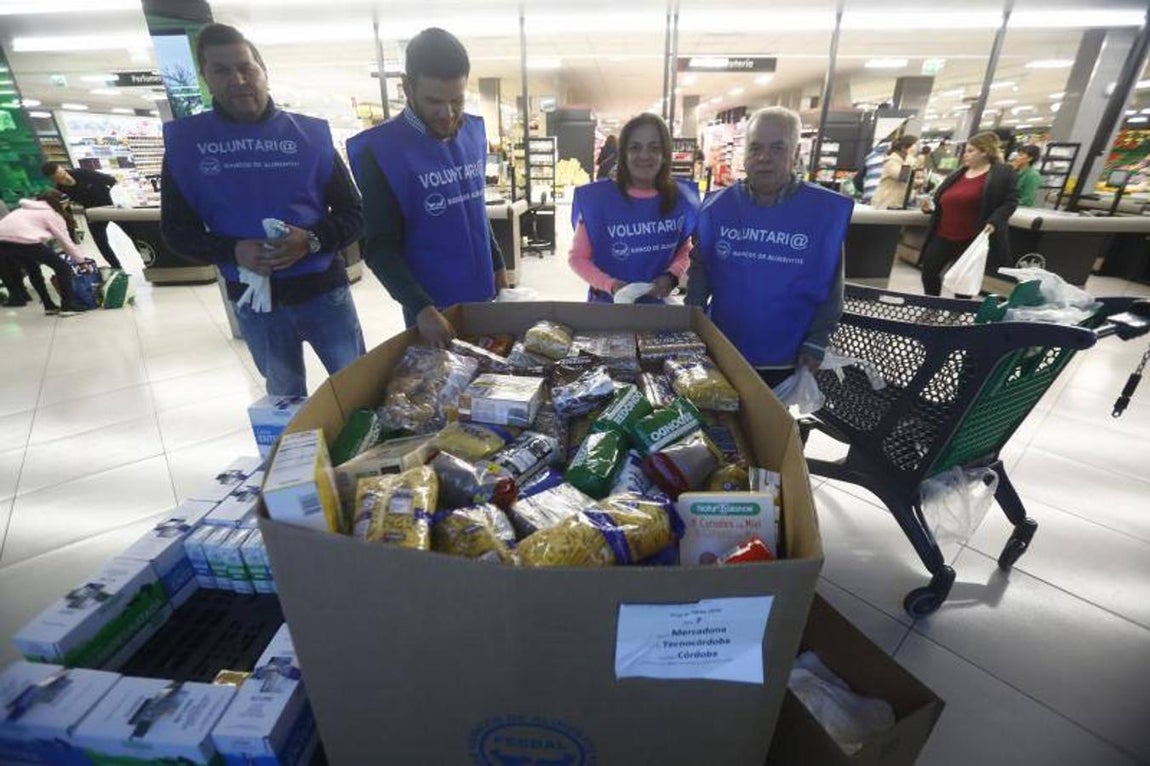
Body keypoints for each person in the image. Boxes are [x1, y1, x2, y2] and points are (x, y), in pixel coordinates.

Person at [161, 23, 366, 397]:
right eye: (221, 70)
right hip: (255, 302)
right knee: (284, 401)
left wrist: (313, 240)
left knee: (358, 390)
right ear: (206, 78)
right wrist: (232, 249)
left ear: (263, 71)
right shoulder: (186, 146)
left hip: (326, 294)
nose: (238, 80)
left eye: (245, 67)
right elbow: (176, 231)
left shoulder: (309, 137)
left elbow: (354, 213)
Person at [348, 27, 507, 348]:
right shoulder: (380, 151)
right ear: (407, 88)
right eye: (434, 101)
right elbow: (379, 248)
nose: (447, 113)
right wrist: (420, 307)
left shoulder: (473, 132)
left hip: (484, 294)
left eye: (456, 100)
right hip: (432, 306)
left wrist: (499, 265)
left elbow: (473, 208)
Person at [686, 107, 853, 386]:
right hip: (722, 348)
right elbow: (701, 269)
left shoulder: (822, 214)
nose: (764, 158)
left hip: (785, 356)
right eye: (755, 148)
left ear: (796, 153)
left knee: (771, 426)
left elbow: (833, 285)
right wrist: (692, 319)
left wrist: (817, 341)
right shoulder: (717, 207)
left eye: (777, 148)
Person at [569, 113, 699, 303]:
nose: (645, 155)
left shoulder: (681, 199)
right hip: (608, 306)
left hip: (656, 307)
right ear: (623, 154)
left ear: (664, 155)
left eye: (654, 148)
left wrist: (672, 276)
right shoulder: (599, 201)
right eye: (635, 147)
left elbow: (684, 248)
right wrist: (611, 285)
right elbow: (577, 258)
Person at [919, 131, 1018, 297]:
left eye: (970, 151)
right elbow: (947, 198)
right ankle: (932, 307)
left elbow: (1010, 202)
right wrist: (932, 207)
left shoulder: (1002, 174)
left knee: (963, 281)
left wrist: (994, 221)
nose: (966, 154)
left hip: (971, 237)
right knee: (929, 272)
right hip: (943, 233)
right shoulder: (959, 173)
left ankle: (957, 315)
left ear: (985, 151)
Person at [0, 191, 89, 315]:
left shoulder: (21, 210)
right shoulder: (52, 214)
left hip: (2, 243)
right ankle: (68, 306)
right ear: (61, 203)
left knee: (33, 270)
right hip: (26, 241)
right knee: (63, 269)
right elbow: (66, 242)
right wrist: (81, 261)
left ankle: (49, 306)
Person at [40, 161, 122, 270]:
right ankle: (117, 267)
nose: (66, 179)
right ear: (54, 179)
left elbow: (111, 180)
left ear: (62, 168)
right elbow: (67, 212)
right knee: (101, 243)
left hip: (112, 207)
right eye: (60, 179)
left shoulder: (82, 173)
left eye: (64, 174)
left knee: (133, 233)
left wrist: (119, 199)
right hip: (92, 213)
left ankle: (149, 263)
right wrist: (71, 234)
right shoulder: (60, 190)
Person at [870, 134, 917, 209]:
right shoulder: (891, 161)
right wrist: (910, 158)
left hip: (897, 203)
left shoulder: (904, 162)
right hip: (886, 203)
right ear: (904, 148)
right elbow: (903, 176)